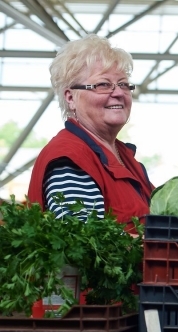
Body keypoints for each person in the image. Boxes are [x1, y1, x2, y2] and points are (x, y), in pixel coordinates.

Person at [27, 34, 153, 231]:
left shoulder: (125, 158)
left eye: (123, 84)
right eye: (103, 85)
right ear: (70, 98)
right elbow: (84, 244)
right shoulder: (71, 158)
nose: (119, 93)